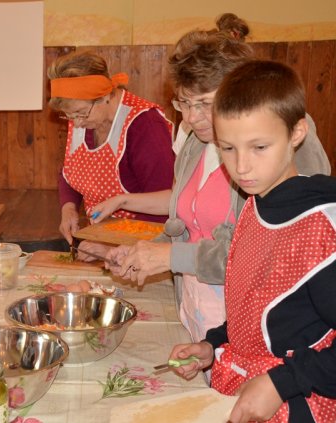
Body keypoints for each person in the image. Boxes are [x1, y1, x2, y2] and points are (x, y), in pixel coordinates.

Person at [101, 13, 331, 344]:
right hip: (203, 318)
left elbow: (276, 254)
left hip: (263, 329)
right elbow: (188, 226)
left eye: (204, 103)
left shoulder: (284, 142)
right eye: (183, 103)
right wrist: (144, 252)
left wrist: (171, 258)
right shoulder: (195, 142)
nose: (191, 117)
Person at [169, 60, 336, 423]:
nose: (241, 167)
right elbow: (253, 307)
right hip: (246, 385)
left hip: (300, 404)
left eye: (259, 147)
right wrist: (213, 344)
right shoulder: (253, 205)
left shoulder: (322, 229)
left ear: (297, 132)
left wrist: (282, 382)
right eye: (228, 148)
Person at [47, 50, 175, 253]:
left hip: (144, 245)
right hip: (100, 237)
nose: (77, 123)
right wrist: (69, 208)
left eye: (80, 113)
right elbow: (71, 171)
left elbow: (165, 205)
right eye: (69, 116)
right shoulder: (81, 119)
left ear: (104, 96)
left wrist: (111, 246)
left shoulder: (145, 124)